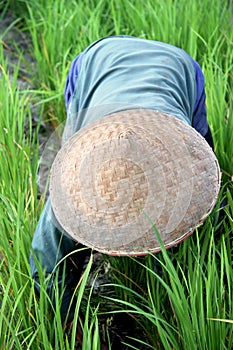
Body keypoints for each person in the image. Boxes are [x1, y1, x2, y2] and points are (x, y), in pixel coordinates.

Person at [30, 36, 220, 328]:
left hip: (178, 67)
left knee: (204, 168)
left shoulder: (185, 153)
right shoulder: (71, 188)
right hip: (97, 61)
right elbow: (45, 265)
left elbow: (205, 175)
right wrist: (66, 321)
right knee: (69, 149)